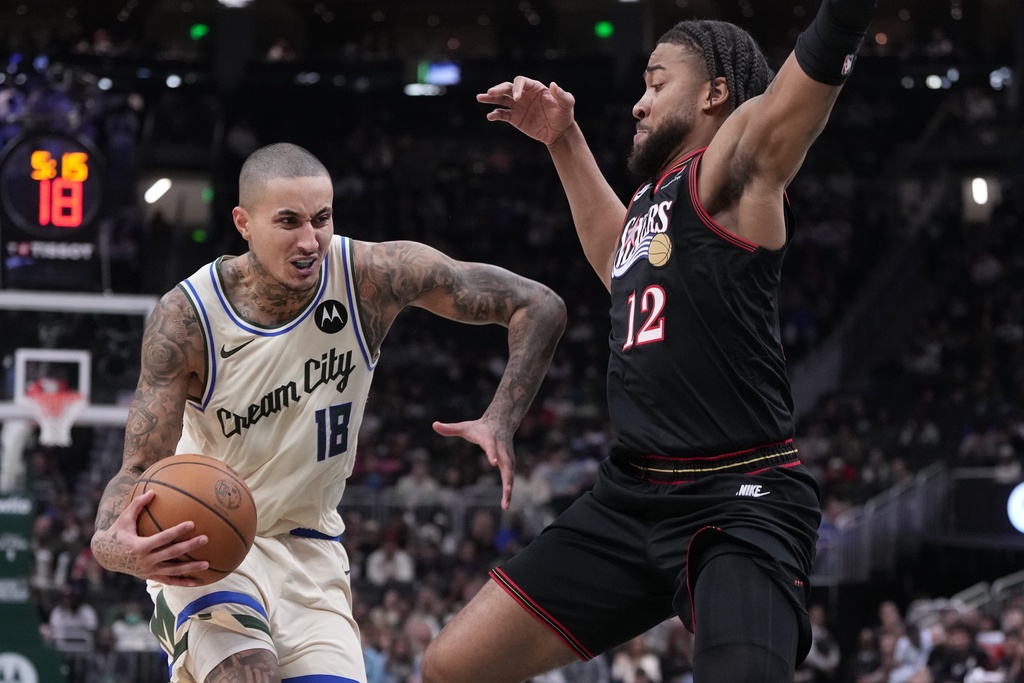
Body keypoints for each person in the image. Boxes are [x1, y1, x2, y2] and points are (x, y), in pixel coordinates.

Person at [420, 2, 880, 682]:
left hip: (740, 494)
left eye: (656, 82)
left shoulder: (728, 170)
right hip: (630, 493)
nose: (638, 104)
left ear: (714, 93)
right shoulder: (652, 203)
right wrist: (563, 139)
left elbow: (788, 105)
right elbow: (617, 258)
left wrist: (843, 16)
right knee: (451, 666)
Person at [89, 142, 566, 683]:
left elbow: (540, 305)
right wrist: (113, 546)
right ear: (243, 222)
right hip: (209, 548)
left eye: (321, 219)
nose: (309, 240)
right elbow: (135, 468)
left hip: (312, 551)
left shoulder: (371, 276)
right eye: (288, 221)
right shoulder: (187, 318)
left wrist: (502, 416)